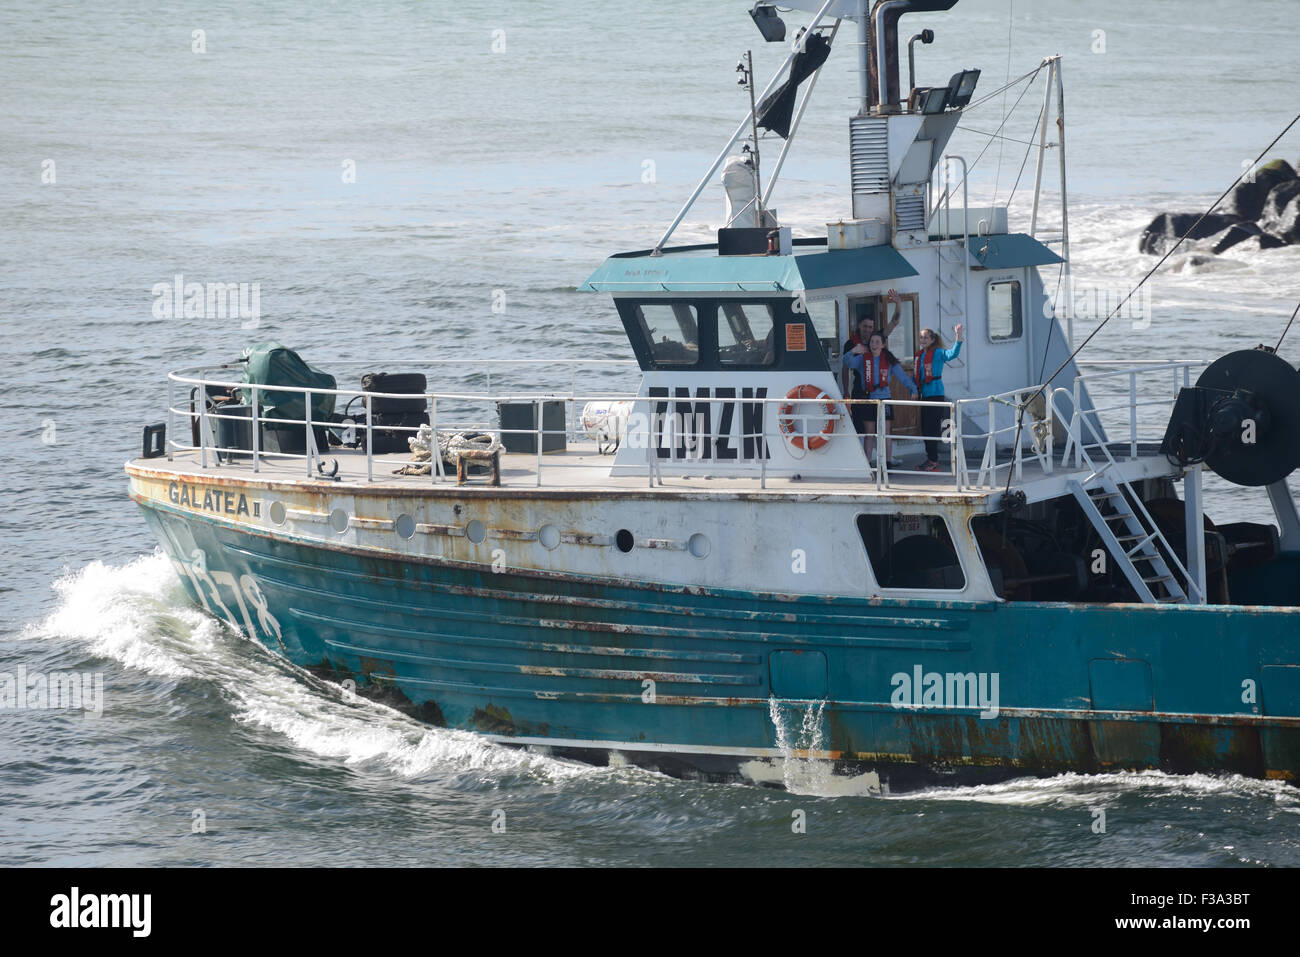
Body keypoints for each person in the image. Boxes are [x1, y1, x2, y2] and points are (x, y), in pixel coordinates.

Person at [842, 332, 917, 466]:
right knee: (869, 433)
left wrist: (913, 389)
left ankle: (887, 462)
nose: (874, 344)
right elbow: (846, 361)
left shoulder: (889, 361)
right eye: (872, 342)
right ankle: (868, 463)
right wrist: (854, 350)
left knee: (886, 431)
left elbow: (902, 377)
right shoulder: (862, 359)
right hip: (870, 399)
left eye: (877, 342)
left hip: (885, 399)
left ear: (883, 345)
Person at [914, 322, 963, 472]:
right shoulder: (920, 355)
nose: (923, 340)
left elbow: (952, 354)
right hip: (925, 395)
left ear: (932, 339)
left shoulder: (938, 353)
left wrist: (958, 337)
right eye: (921, 338)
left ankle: (934, 461)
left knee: (932, 428)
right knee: (925, 429)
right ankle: (930, 458)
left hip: (936, 394)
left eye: (925, 338)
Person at [840, 289, 904, 400]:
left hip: (879, 392)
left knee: (881, 417)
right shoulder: (850, 344)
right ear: (859, 325)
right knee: (860, 417)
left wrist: (898, 303)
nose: (867, 329)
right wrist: (846, 391)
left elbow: (894, 322)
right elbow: (845, 369)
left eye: (870, 327)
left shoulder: (877, 339)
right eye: (865, 326)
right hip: (859, 389)